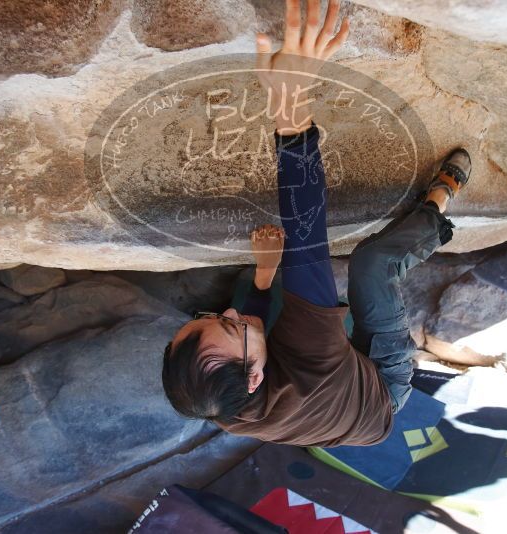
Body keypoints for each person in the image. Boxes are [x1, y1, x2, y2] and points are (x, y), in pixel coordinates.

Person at [162, 0, 471, 447]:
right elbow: (305, 232)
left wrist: (265, 277)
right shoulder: (310, 358)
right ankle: (439, 202)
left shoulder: (214, 399)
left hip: (332, 403)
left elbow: (241, 335)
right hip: (382, 391)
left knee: (265, 288)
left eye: (210, 318)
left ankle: (274, 296)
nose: (229, 313)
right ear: (253, 379)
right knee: (370, 265)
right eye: (231, 326)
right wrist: (290, 103)